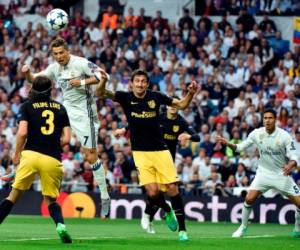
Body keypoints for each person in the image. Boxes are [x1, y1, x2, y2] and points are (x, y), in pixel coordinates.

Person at [99, 69, 198, 241]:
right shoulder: (125, 97)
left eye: (143, 81)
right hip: (140, 152)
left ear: (147, 83)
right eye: (136, 81)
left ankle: (183, 230)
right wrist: (103, 80)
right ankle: (166, 210)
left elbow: (181, 105)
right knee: (153, 192)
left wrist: (190, 93)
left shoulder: (156, 97)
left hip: (160, 150)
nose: (140, 84)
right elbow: (100, 92)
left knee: (173, 188)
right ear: (132, 83)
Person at [21, 38, 110, 218]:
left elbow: (102, 75)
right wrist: (27, 73)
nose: (59, 56)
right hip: (65, 110)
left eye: (62, 52)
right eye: (56, 54)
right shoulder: (54, 68)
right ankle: (20, 167)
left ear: (68, 51)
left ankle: (105, 195)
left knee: (90, 156)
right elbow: (34, 80)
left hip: (85, 114)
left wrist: (83, 82)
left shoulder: (81, 63)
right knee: (43, 136)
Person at [114, 95, 200, 235]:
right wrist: (124, 129)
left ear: (178, 107)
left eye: (176, 105)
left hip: (167, 160)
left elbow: (197, 137)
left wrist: (188, 136)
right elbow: (138, 121)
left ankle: (149, 215)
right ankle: (154, 215)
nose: (173, 107)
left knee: (166, 191)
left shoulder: (181, 122)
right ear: (166, 106)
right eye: (171, 105)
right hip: (150, 155)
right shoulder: (158, 117)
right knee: (154, 192)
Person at [0, 76, 72, 243]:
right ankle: (61, 225)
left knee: (13, 195)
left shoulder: (27, 106)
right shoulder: (61, 108)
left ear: (33, 88)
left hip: (31, 154)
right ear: (51, 89)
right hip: (52, 158)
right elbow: (67, 139)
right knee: (51, 200)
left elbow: (23, 132)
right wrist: (52, 143)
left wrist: (17, 153)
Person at [216, 108, 300, 238]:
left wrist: (290, 164)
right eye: (265, 118)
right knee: (249, 198)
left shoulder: (284, 136)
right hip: (263, 174)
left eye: (270, 118)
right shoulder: (256, 133)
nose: (267, 120)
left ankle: (297, 228)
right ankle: (242, 227)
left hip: (281, 174)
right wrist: (228, 144)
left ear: (275, 119)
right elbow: (239, 148)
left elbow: (294, 156)